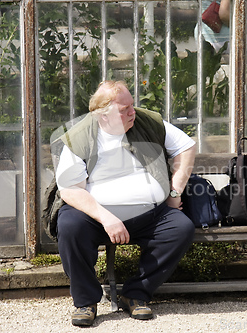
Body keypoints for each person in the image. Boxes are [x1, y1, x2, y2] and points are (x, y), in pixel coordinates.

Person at [52, 80, 197, 327]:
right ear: (102, 115)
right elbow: (70, 190)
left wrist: (175, 191)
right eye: (124, 109)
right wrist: (107, 218)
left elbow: (187, 147)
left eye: (132, 105)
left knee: (180, 228)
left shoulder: (146, 121)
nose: (132, 112)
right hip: (96, 216)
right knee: (70, 226)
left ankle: (135, 293)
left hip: (151, 212)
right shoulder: (79, 137)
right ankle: (85, 301)